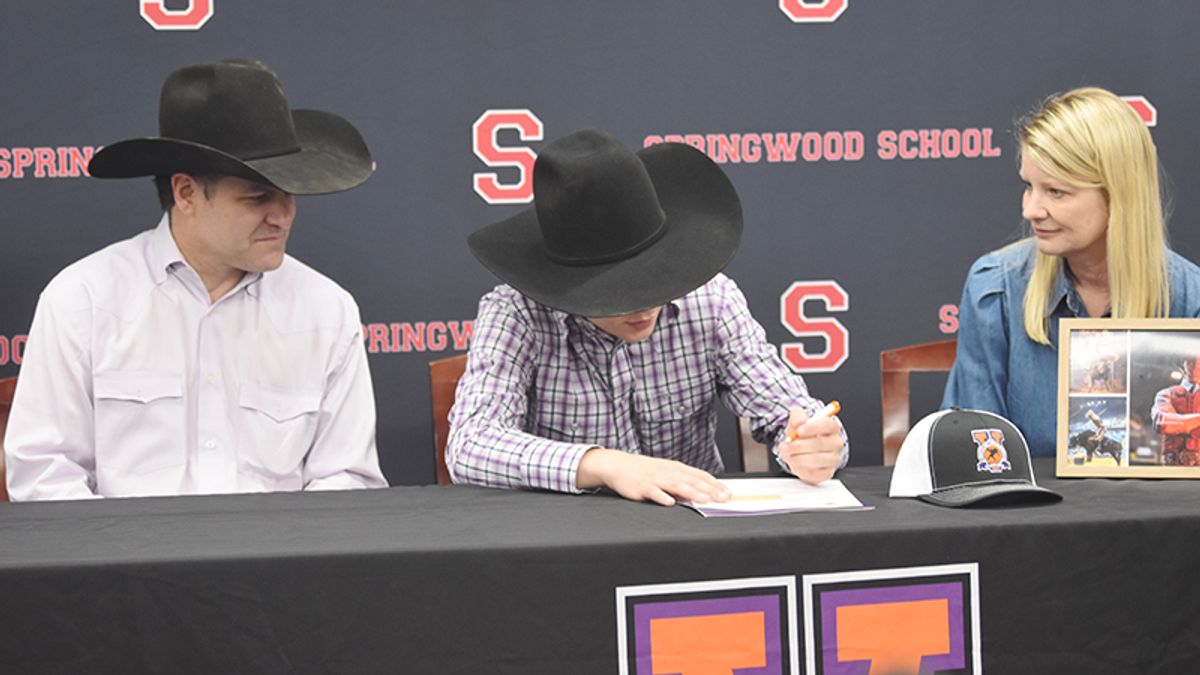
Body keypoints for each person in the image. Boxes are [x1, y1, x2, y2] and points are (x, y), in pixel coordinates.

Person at [4, 59, 388, 499]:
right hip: (121, 563)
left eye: (291, 196)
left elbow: (346, 479)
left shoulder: (326, 310)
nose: (283, 216)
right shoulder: (83, 301)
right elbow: (44, 475)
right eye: (258, 198)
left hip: (279, 564)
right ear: (186, 193)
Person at [447, 129, 847, 506]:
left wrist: (814, 446)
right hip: (565, 546)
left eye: (656, 277)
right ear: (566, 284)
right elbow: (470, 444)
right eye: (616, 292)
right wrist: (605, 464)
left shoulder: (713, 299)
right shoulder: (516, 312)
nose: (644, 305)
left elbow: (791, 413)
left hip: (694, 534)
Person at [942, 86, 1200, 457]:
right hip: (1026, 514)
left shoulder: (1191, 299)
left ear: (1119, 196)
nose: (1031, 209)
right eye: (1028, 186)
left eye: (1056, 192)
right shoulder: (995, 289)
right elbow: (977, 457)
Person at [1151, 353, 1200, 466]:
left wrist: (1180, 425)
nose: (1197, 364)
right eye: (1192, 360)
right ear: (1183, 364)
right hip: (1173, 465)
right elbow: (1163, 423)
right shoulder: (1166, 394)